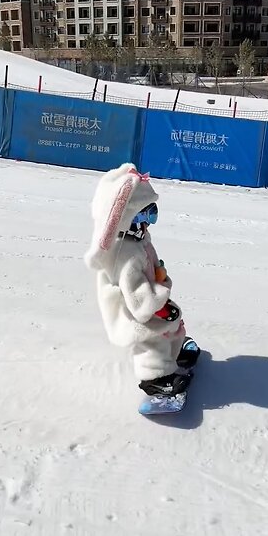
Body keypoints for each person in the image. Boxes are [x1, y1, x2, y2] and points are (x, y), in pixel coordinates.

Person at [83, 164, 200, 396]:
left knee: (174, 325)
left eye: (153, 213)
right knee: (152, 337)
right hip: (133, 311)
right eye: (146, 214)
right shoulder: (124, 255)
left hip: (151, 299)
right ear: (126, 218)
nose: (149, 222)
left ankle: (174, 356)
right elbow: (138, 302)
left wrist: (160, 279)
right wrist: (160, 302)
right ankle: (154, 377)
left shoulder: (137, 240)